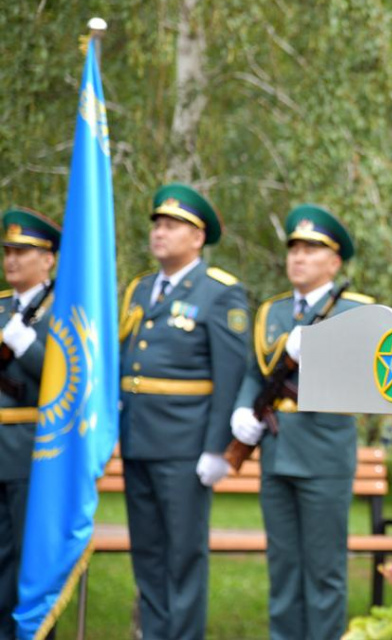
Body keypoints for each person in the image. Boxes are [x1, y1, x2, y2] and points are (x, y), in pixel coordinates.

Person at [230, 204, 373, 640]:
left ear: (335, 262)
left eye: (312, 249)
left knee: (325, 573)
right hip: (276, 453)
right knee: (284, 569)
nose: (299, 257)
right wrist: (242, 409)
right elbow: (256, 372)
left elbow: (369, 380)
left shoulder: (357, 311)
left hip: (324, 452)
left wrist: (321, 355)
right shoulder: (271, 313)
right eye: (294, 247)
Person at [118, 183, 250, 640]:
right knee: (148, 555)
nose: (159, 232)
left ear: (197, 238)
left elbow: (230, 377)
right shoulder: (139, 289)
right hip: (138, 441)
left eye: (171, 225)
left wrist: (218, 450)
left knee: (183, 557)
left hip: (185, 447)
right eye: (157, 223)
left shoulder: (220, 293)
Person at [0, 208, 60, 640]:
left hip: (34, 449)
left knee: (30, 562)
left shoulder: (65, 310)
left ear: (49, 259)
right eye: (8, 251)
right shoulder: (2, 306)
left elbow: (67, 379)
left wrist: (28, 346)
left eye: (23, 252)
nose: (12, 260)